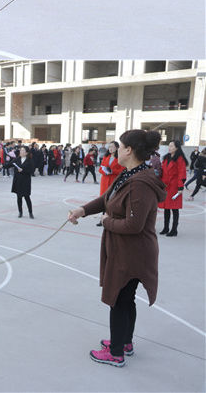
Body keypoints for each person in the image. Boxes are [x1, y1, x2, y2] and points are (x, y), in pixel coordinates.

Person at [68, 129, 166, 368]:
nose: (117, 150)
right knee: (125, 299)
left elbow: (134, 225)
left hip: (132, 252)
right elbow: (107, 199)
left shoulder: (140, 183)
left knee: (119, 300)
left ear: (129, 150)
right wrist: (83, 210)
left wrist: (105, 221)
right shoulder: (129, 175)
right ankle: (124, 342)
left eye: (120, 146)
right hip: (126, 250)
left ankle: (116, 352)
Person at [158, 140, 187, 237]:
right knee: (166, 208)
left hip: (174, 187)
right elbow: (163, 171)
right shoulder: (166, 158)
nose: (169, 148)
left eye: (171, 146)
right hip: (166, 186)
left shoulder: (180, 159)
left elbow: (182, 173)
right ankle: (166, 227)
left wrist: (180, 187)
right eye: (169, 146)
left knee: (174, 208)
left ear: (177, 148)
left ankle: (174, 229)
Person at [11, 146, 34, 218]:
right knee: (19, 197)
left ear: (26, 153)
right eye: (20, 150)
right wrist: (2, 166)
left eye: (23, 150)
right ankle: (20, 212)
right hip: (18, 181)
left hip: (25, 181)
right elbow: (9, 164)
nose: (21, 151)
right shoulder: (17, 159)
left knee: (27, 197)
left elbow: (31, 170)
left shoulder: (29, 160)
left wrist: (23, 170)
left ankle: (30, 212)